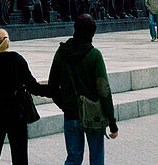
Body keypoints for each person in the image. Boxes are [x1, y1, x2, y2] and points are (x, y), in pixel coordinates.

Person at [48, 14, 118, 165]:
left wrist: (64, 104)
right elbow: (104, 90)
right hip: (93, 115)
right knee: (97, 157)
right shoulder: (94, 55)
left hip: (71, 113)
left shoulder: (61, 52)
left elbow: (52, 86)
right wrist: (112, 123)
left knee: (73, 157)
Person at [0, 29, 48, 165]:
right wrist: (55, 90)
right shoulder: (17, 59)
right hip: (16, 116)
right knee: (20, 158)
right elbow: (33, 86)